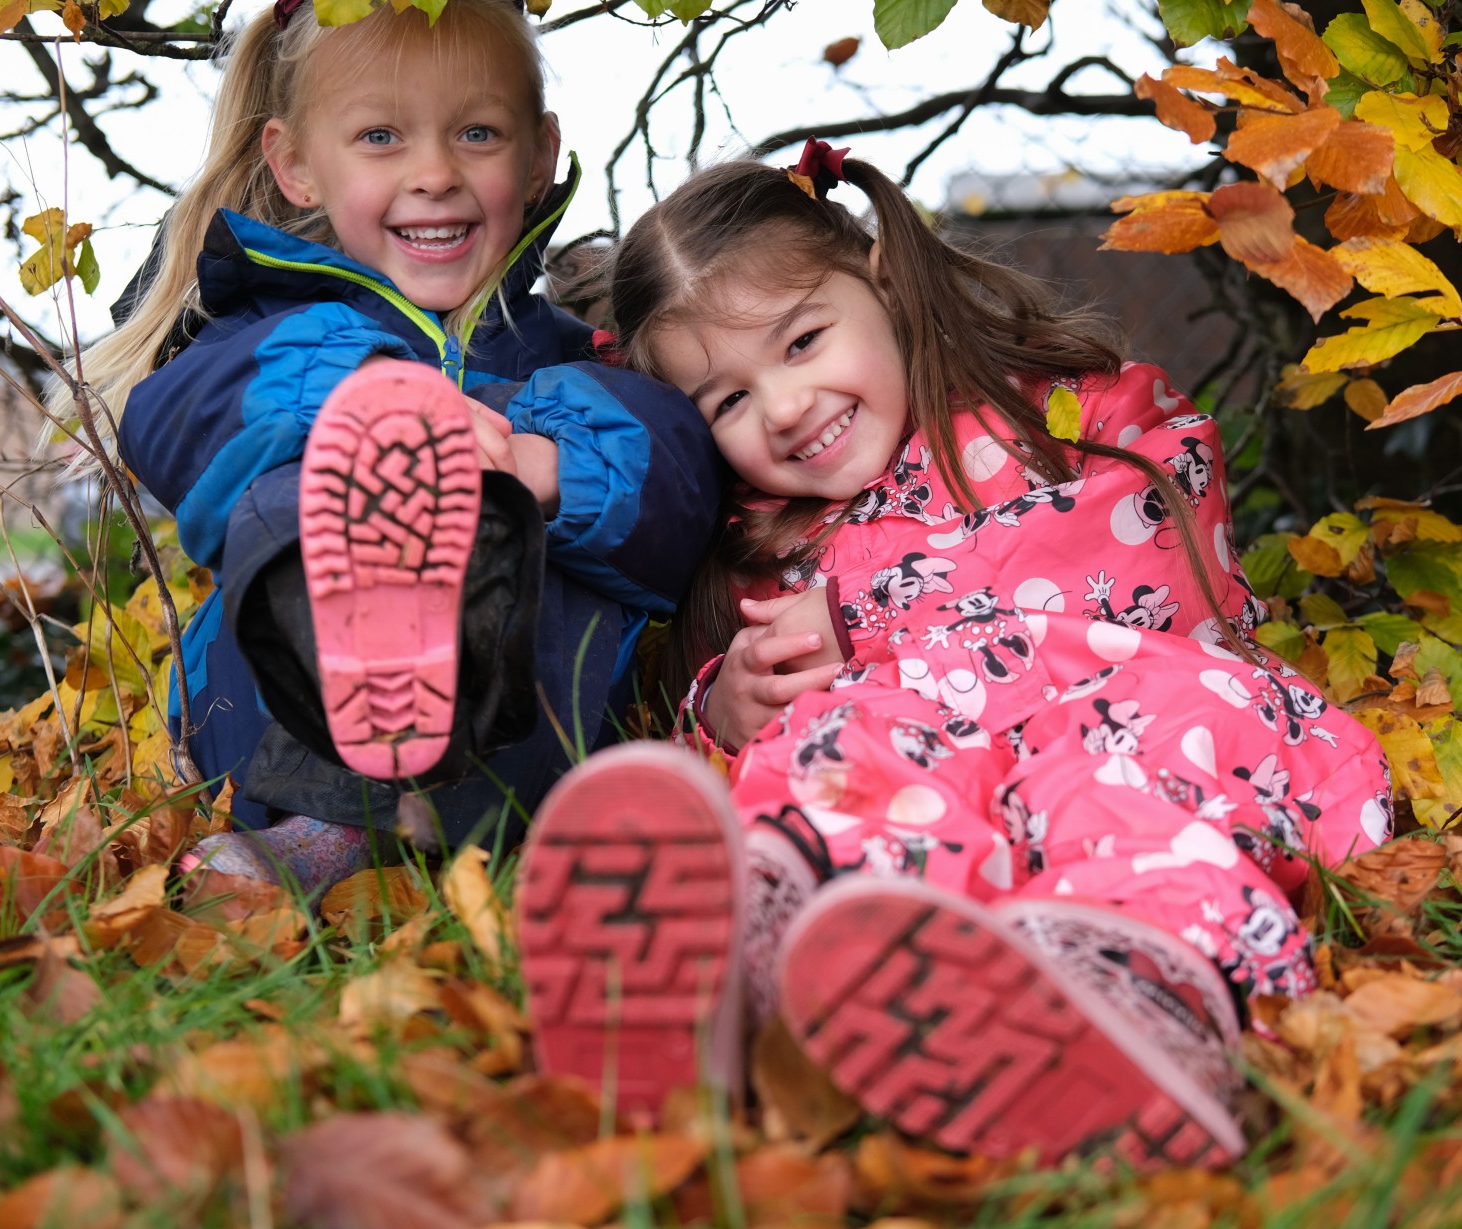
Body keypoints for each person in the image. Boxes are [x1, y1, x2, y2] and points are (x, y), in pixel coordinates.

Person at [513, 142, 1393, 1168]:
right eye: (729, 401)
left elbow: (1155, 544)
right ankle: (769, 947)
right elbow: (740, 713)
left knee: (1101, 800)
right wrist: (724, 706)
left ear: (879, 278)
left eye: (802, 341)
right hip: (945, 810)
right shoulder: (759, 543)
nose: (786, 406)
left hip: (1150, 721)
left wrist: (874, 617)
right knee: (843, 740)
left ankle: (1143, 1002)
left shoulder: (1048, 413)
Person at [46, 0, 720, 898]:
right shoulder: (261, 330)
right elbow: (174, 423)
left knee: (515, 529)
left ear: (540, 154)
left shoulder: (568, 357)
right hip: (265, 711)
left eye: (477, 132)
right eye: (380, 137)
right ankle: (325, 824)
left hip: (518, 735)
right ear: (295, 166)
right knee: (311, 490)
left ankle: (524, 832)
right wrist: (361, 398)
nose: (435, 172)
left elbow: (679, 483)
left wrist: (538, 467)